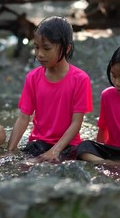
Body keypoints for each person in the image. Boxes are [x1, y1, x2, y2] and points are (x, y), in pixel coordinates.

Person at [7, 16, 93, 162]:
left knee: (87, 155)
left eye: (46, 48)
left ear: (66, 49)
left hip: (68, 144)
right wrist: (9, 152)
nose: (40, 54)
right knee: (26, 163)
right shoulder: (33, 78)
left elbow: (76, 123)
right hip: (39, 144)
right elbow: (23, 118)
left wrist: (55, 151)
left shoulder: (80, 79)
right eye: (36, 47)